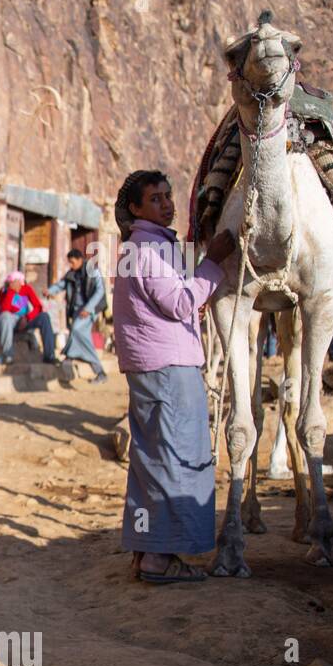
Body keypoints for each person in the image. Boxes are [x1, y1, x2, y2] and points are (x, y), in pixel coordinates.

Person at [112, 169, 236, 584]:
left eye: (168, 196)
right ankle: (159, 561)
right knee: (173, 458)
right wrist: (213, 263)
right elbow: (181, 304)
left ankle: (146, 550)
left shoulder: (143, 246)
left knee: (150, 460)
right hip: (167, 365)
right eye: (155, 199)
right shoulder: (148, 249)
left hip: (151, 363)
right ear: (135, 208)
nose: (165, 204)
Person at [48, 248, 108, 383]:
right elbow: (62, 284)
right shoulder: (72, 273)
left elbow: (100, 291)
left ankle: (69, 356)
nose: (71, 265)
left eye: (72, 262)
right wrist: (50, 291)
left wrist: (88, 308)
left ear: (80, 259)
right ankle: (99, 372)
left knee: (75, 330)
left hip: (89, 311)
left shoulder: (93, 271)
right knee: (83, 338)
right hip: (76, 311)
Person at [0, 271, 56, 364]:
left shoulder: (26, 289)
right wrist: (12, 291)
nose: (17, 284)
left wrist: (27, 317)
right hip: (10, 322)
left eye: (18, 282)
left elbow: (38, 307)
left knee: (44, 316)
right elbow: (4, 309)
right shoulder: (4, 291)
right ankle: (7, 355)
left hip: (24, 320)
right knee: (6, 316)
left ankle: (49, 355)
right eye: (14, 282)